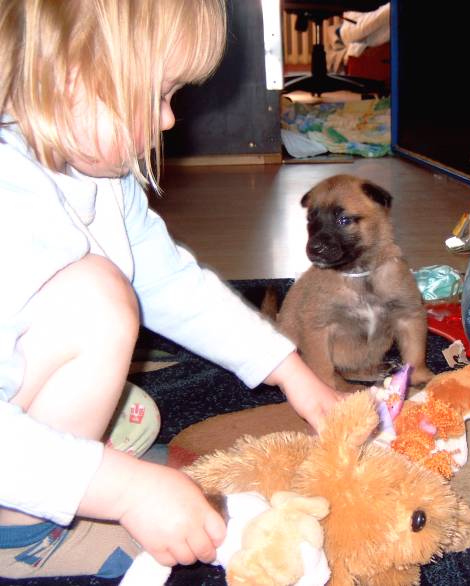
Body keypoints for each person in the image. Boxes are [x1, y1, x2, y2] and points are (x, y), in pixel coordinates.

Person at [0, 0, 339, 580]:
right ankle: (18, 531)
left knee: (110, 318)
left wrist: (289, 370)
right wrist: (124, 490)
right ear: (70, 79)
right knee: (98, 300)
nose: (167, 120)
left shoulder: (95, 175)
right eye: (158, 94)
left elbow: (170, 283)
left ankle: (58, 462)